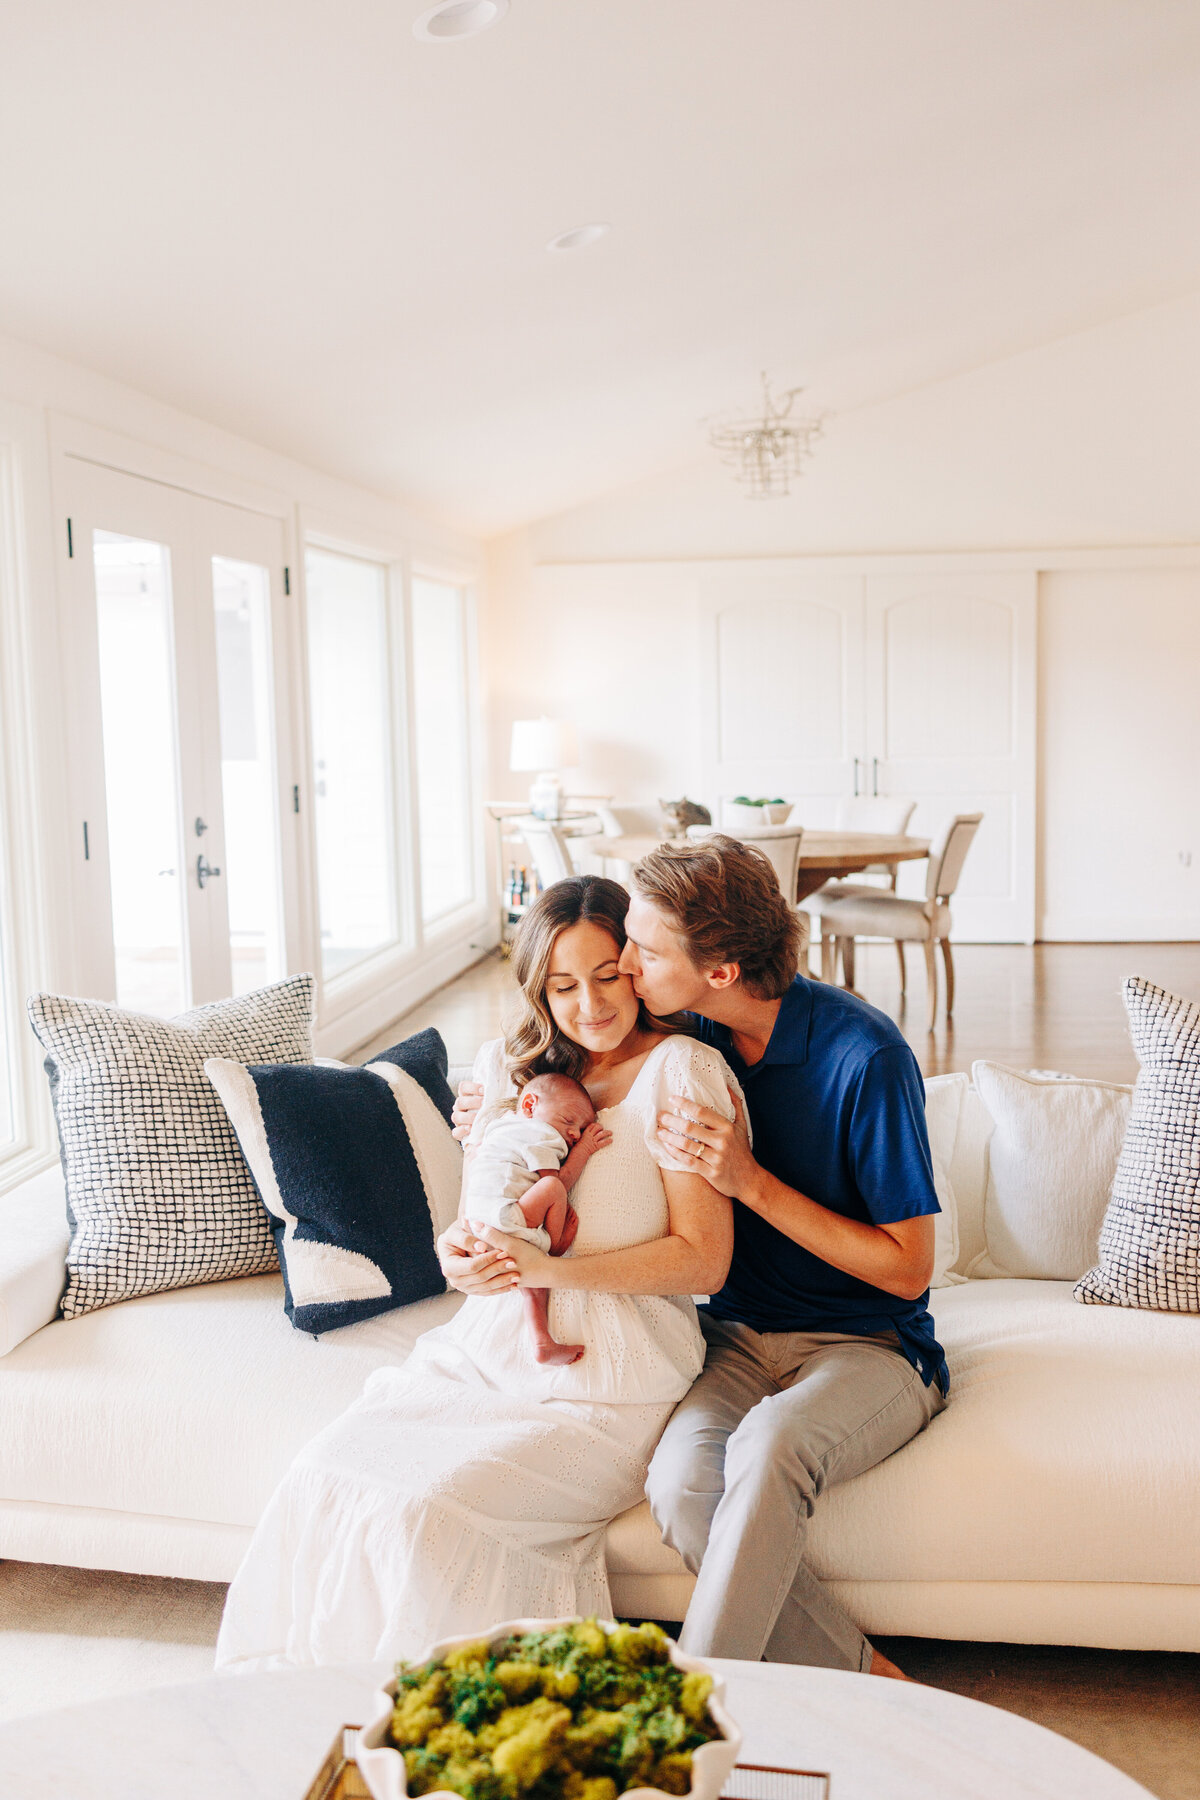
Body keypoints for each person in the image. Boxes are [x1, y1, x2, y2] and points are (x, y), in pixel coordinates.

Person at [454, 834, 948, 1682]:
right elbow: (576, 1039)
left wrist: (748, 1181)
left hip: (869, 1345)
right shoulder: (689, 1025)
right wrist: (495, 1108)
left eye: (642, 953)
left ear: (718, 971)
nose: (627, 971)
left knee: (771, 1447)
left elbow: (909, 1269)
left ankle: (690, 1717)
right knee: (684, 1487)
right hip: (735, 1338)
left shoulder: (865, 1058)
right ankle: (868, 1675)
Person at [215, 875, 739, 1671]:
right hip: (478, 1359)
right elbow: (475, 1230)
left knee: (428, 1511)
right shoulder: (505, 1071)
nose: (591, 1005)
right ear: (537, 987)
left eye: (607, 975)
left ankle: (453, 1739)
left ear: (636, 966)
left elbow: (704, 1256)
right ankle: (331, 1728)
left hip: (612, 1385)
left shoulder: (681, 1071)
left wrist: (554, 1272)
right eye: (563, 985)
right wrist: (462, 1258)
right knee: (322, 1475)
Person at [463, 1071, 609, 1365]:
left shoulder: (498, 1128)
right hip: (506, 1214)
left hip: (480, 1225)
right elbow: (558, 1182)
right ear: (529, 1105)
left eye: (581, 1129)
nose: (575, 1134)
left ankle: (542, 1342)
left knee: (531, 1279)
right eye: (569, 1121)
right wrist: (585, 1149)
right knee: (552, 1188)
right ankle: (553, 1247)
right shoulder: (538, 1133)